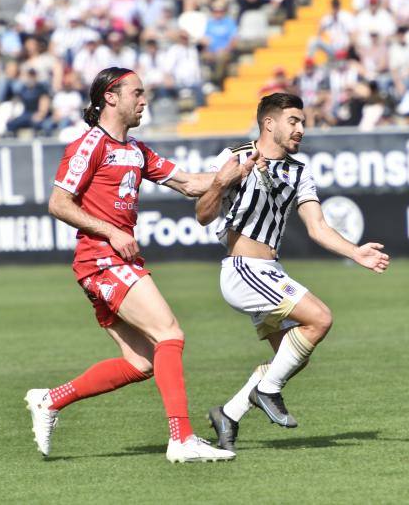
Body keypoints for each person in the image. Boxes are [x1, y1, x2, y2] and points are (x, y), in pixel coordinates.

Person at [25, 67, 250, 463]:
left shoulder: (136, 150)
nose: (144, 101)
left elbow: (191, 185)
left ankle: (49, 400)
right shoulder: (90, 144)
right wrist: (110, 231)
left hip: (111, 260)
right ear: (110, 97)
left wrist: (234, 173)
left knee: (142, 362)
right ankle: (181, 439)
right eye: (137, 93)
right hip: (101, 259)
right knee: (170, 333)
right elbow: (59, 204)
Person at [196, 93, 390, 453]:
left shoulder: (300, 172)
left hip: (269, 269)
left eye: (302, 122)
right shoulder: (235, 157)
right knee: (320, 318)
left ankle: (229, 414)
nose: (301, 128)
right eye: (294, 121)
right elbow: (203, 214)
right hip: (243, 269)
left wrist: (355, 252)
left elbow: (317, 227)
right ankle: (267, 392)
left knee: (290, 357)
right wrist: (223, 182)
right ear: (269, 123)